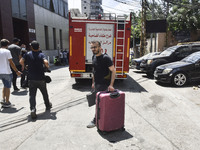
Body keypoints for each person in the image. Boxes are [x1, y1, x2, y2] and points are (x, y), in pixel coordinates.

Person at [87, 41, 116, 128]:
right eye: (92, 47)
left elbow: (113, 71)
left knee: (102, 104)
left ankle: (96, 120)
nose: (93, 49)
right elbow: (94, 71)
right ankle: (100, 119)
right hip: (97, 84)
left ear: (100, 47)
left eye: (95, 47)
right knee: (97, 103)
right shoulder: (93, 57)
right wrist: (93, 82)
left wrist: (111, 85)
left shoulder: (106, 58)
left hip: (104, 85)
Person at [19, 40, 52, 119]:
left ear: (31, 47)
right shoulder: (41, 54)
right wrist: (47, 67)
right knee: (44, 93)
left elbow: (21, 61)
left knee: (32, 95)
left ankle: (33, 109)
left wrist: (25, 66)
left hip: (31, 79)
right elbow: (46, 62)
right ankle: (47, 106)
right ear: (39, 47)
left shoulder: (27, 54)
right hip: (41, 78)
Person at [0, 39, 22, 106]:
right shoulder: (7, 51)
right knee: (7, 87)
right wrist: (16, 71)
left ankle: (3, 99)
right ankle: (7, 102)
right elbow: (11, 62)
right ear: (7, 45)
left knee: (5, 86)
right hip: (6, 71)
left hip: (0, 72)